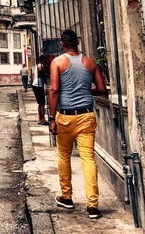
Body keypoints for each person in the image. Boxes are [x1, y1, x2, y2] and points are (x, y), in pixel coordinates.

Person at [48, 29, 107, 220]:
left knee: (64, 156)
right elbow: (101, 89)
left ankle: (66, 197)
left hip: (65, 117)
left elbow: (54, 90)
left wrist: (51, 118)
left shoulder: (58, 62)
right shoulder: (90, 63)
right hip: (86, 116)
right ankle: (93, 205)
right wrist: (85, 90)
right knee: (88, 159)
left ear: (62, 44)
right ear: (78, 43)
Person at [31, 56, 48, 125]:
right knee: (42, 103)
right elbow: (41, 74)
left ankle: (40, 119)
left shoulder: (36, 65)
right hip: (38, 86)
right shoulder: (40, 66)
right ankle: (42, 119)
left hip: (36, 85)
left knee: (40, 103)